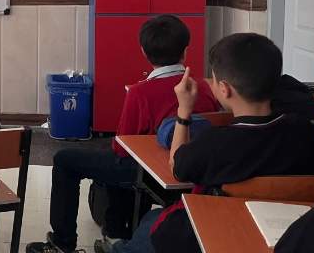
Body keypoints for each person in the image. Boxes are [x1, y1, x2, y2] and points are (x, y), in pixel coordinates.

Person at [27, 15, 220, 253]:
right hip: (194, 175)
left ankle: (62, 243)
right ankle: (115, 231)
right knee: (109, 162)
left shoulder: (141, 93)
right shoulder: (204, 88)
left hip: (148, 174)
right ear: (186, 50)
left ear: (143, 52)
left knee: (66, 160)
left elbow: (121, 147)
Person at [112, 33, 314, 253]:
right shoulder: (305, 132)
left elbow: (177, 167)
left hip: (210, 232)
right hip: (282, 233)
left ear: (225, 89)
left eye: (212, 79)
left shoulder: (214, 144)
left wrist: (183, 111)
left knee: (152, 222)